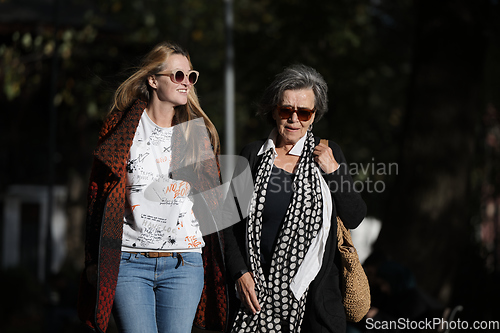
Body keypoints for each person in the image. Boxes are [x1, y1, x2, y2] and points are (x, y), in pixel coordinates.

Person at [77, 42, 227, 333]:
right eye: (178, 75)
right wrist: (92, 259)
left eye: (190, 76)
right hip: (129, 261)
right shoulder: (121, 128)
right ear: (153, 79)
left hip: (184, 263)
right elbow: (98, 196)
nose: (186, 83)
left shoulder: (195, 133)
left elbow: (215, 207)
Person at [223, 64, 367, 332]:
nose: (294, 119)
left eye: (303, 112)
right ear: (274, 110)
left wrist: (334, 171)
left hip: (315, 303)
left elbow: (355, 216)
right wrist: (240, 273)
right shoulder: (253, 154)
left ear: (314, 116)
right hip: (255, 299)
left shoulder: (328, 152)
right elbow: (229, 223)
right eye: (286, 110)